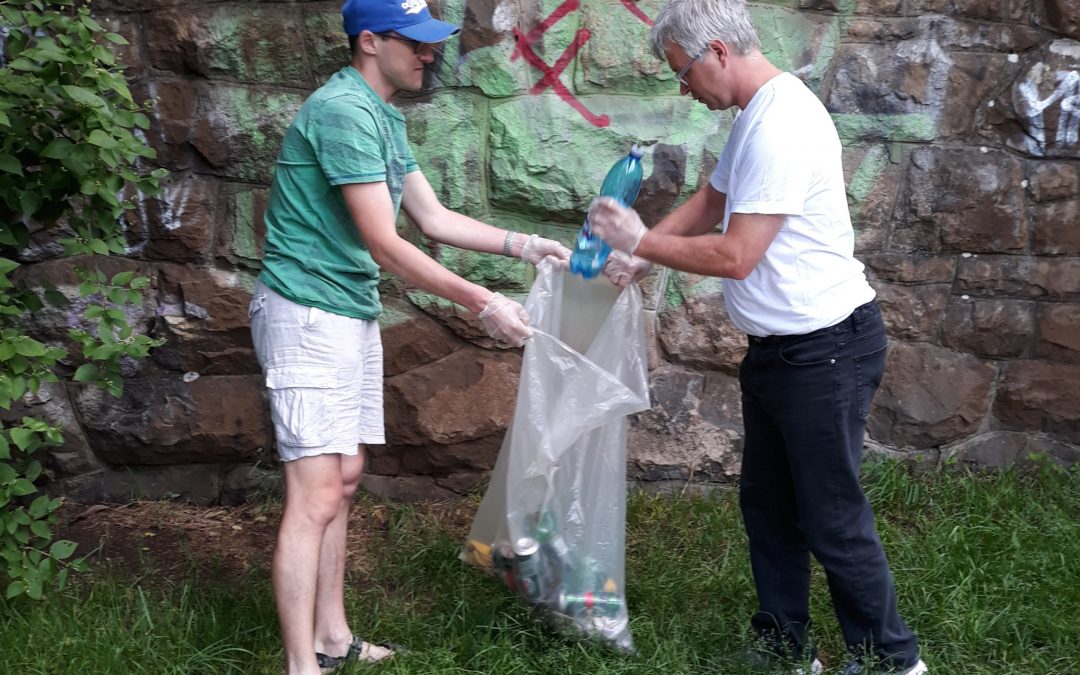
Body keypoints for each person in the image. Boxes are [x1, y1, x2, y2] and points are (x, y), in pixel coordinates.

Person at [586, 1, 927, 674]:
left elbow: (739, 254)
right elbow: (713, 200)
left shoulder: (782, 125)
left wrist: (641, 236)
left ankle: (893, 659)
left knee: (830, 515)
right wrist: (645, 256)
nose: (683, 87)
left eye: (682, 72)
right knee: (769, 505)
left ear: (716, 51)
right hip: (782, 351)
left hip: (824, 349)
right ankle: (783, 646)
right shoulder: (755, 116)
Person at [247, 1, 571, 673]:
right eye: (416, 43)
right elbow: (385, 244)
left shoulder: (380, 115)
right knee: (312, 495)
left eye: (432, 43)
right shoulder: (342, 113)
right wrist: (483, 301)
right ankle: (299, 666)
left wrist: (528, 245)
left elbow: (433, 216)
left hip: (345, 311)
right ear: (370, 40)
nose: (430, 55)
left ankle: (332, 638)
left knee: (346, 476)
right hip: (307, 313)